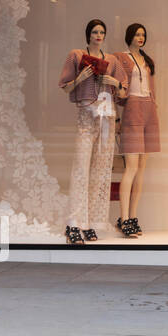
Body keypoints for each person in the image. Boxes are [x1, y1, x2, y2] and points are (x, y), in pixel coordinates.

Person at [57, 19, 122, 244]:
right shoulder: (76, 55)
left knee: (101, 170)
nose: (98, 35)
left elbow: (123, 92)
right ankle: (75, 222)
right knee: (81, 168)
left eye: (102, 32)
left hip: (106, 114)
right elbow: (64, 86)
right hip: (86, 113)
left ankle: (93, 221)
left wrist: (113, 81)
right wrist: (80, 78)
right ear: (88, 34)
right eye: (95, 31)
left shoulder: (112, 59)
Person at [115, 22, 159, 238]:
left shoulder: (147, 60)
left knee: (141, 168)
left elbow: (152, 89)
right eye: (136, 34)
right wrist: (116, 117)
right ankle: (123, 219)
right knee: (131, 167)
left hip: (149, 110)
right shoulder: (120, 58)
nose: (140, 38)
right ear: (129, 35)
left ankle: (132, 216)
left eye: (143, 34)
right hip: (132, 109)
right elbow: (118, 90)